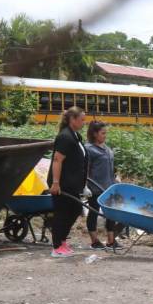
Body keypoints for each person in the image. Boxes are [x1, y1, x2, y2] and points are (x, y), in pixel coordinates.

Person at [47, 106, 87, 258]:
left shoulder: (75, 136)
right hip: (62, 183)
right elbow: (57, 160)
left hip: (73, 183)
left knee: (75, 209)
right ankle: (57, 246)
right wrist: (55, 183)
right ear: (72, 120)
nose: (84, 122)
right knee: (62, 213)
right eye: (82, 120)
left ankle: (62, 241)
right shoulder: (65, 137)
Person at [85, 121, 120, 250]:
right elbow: (85, 170)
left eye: (106, 133)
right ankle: (94, 241)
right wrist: (86, 186)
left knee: (112, 214)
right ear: (94, 134)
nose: (105, 135)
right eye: (103, 133)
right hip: (95, 188)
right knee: (93, 212)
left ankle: (111, 240)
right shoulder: (89, 149)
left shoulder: (106, 148)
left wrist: (116, 177)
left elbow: (111, 167)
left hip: (109, 187)